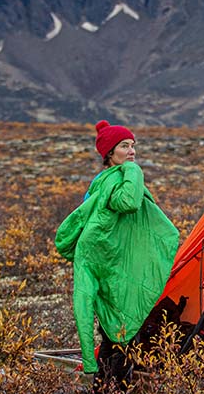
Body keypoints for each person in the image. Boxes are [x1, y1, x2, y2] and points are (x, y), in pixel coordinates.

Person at [54, 120, 180, 377]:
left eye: (133, 145)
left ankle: (107, 392)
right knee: (120, 334)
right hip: (111, 266)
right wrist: (134, 169)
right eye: (124, 146)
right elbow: (129, 202)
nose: (131, 151)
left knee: (115, 334)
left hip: (116, 263)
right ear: (109, 153)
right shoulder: (115, 180)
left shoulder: (104, 181)